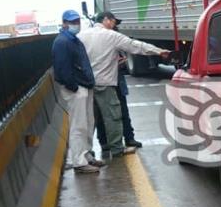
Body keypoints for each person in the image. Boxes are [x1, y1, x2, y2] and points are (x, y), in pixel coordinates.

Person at [78, 12, 170, 158]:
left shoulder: (81, 36)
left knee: (90, 120)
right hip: (105, 83)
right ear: (107, 20)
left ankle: (86, 152)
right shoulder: (111, 35)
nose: (114, 25)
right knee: (113, 116)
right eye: (113, 22)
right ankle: (116, 148)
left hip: (86, 84)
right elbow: (136, 46)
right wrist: (158, 51)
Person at [51, 10, 104, 174]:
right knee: (79, 126)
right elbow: (61, 70)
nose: (76, 24)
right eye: (72, 22)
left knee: (88, 123)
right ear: (64, 23)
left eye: (77, 21)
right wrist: (75, 87)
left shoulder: (73, 40)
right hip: (77, 88)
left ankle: (86, 155)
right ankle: (79, 161)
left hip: (83, 86)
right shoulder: (62, 42)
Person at [95, 63, 141, 151]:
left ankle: (128, 137)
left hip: (116, 80)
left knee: (123, 111)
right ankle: (105, 141)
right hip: (104, 81)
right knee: (102, 113)